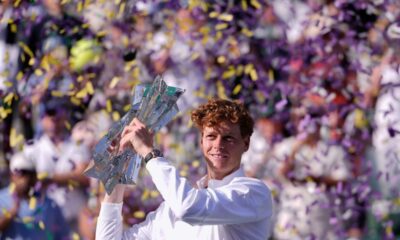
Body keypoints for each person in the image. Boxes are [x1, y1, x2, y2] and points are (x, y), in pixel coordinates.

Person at [96, 98, 273, 239]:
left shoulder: (254, 193)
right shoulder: (172, 208)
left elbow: (188, 208)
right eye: (211, 136)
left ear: (246, 144)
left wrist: (148, 152)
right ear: (201, 142)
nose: (218, 145)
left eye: (228, 138)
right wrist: (120, 169)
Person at [0, 152, 71, 239]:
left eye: (30, 173)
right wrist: (13, 211)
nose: (26, 178)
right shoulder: (1, 199)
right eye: (21, 172)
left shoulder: (50, 204)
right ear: (11, 175)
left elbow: (63, 235)